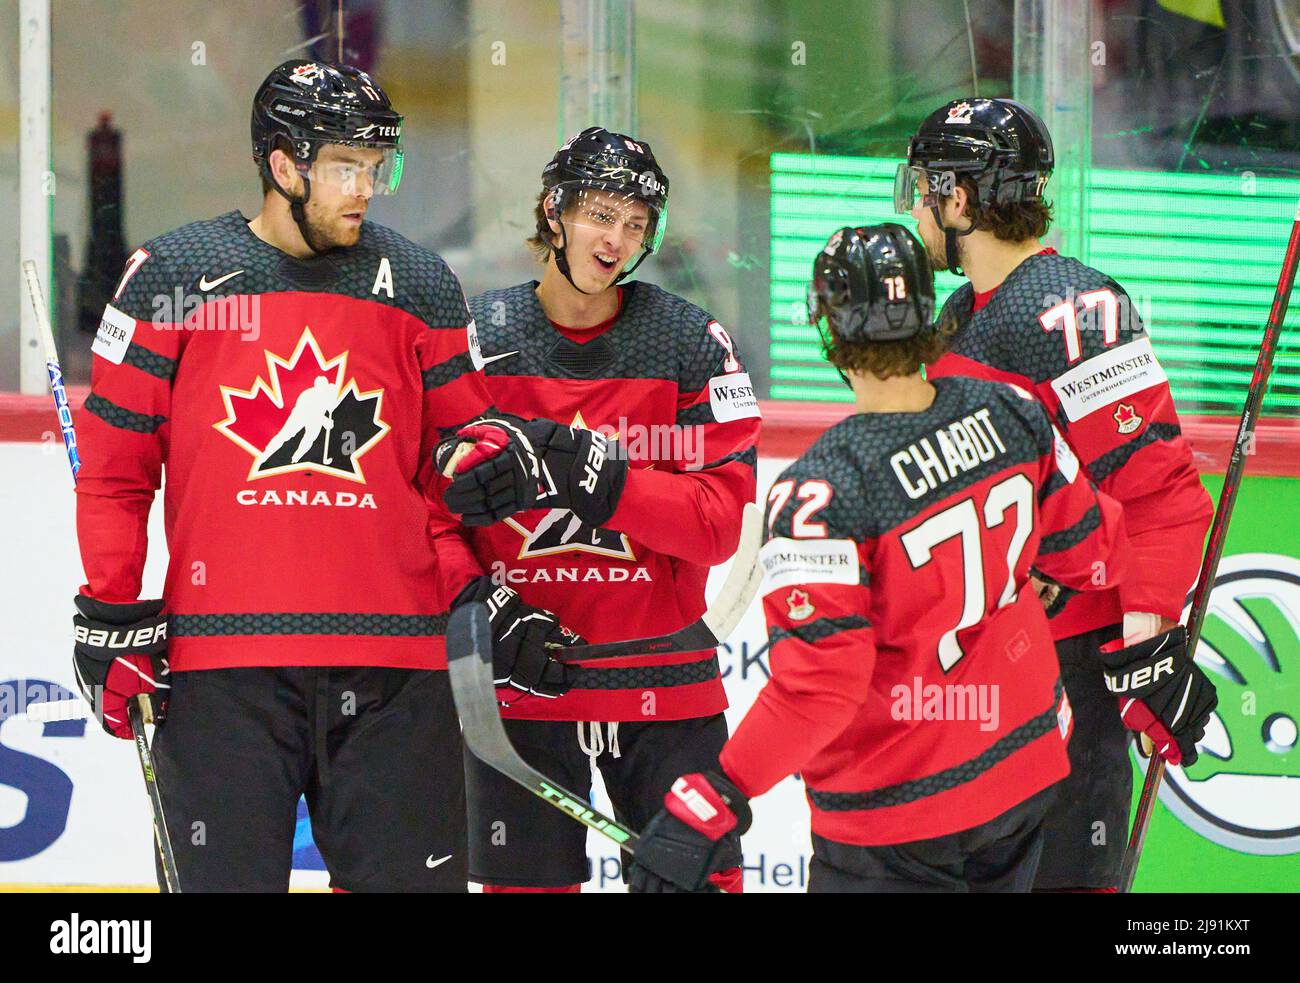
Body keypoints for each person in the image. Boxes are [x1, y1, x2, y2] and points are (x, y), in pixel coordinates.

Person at [71, 59, 513, 892]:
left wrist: (487, 549)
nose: (366, 189)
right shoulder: (171, 277)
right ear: (283, 165)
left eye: (377, 168)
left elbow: (461, 471)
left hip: (395, 676)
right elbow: (115, 473)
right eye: (347, 165)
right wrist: (109, 608)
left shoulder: (422, 286)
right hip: (224, 673)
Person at [625, 223, 1144, 893]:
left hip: (896, 815)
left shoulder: (822, 490)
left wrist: (717, 793)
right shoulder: (1014, 410)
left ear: (828, 331)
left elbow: (820, 691)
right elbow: (1095, 552)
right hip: (1020, 774)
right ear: (928, 311)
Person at [896, 97, 1218, 891]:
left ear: (961, 198)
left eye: (925, 190)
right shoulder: (954, 317)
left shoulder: (1079, 310)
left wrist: (1147, 652)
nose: (916, 209)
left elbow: (1161, 493)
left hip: (1066, 677)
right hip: (972, 678)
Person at [433, 127, 761, 892]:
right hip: (525, 681)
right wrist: (477, 602)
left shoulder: (692, 342)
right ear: (555, 211)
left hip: (666, 687)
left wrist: (599, 478)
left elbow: (717, 523)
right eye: (601, 214)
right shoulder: (476, 341)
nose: (617, 240)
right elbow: (431, 509)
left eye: (636, 224)